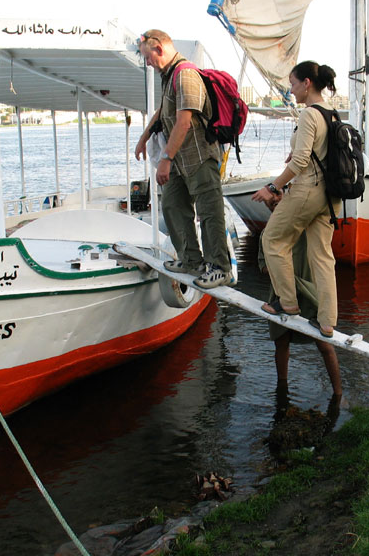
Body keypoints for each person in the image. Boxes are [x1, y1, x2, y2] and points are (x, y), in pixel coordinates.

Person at [134, 29, 232, 288]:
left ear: (159, 49)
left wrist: (165, 158)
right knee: (172, 204)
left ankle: (220, 268)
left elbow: (184, 121)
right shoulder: (169, 76)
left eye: (148, 57)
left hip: (199, 156)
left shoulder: (185, 74)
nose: (147, 63)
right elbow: (164, 111)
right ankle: (192, 260)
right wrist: (144, 137)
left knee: (209, 212)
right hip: (180, 159)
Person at [251, 61, 341, 339]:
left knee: (273, 241)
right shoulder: (332, 115)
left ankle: (287, 302)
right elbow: (320, 152)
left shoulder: (309, 115)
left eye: (292, 84)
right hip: (331, 196)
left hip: (308, 190)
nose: (291, 91)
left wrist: (273, 186)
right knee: (322, 256)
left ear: (306, 83)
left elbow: (302, 160)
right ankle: (327, 321)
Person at [258, 196, 342, 398]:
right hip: (281, 296)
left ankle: (338, 393)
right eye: (272, 204)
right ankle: (282, 389)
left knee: (324, 344)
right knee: (281, 342)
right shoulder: (267, 234)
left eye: (279, 200)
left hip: (311, 291)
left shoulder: (305, 225)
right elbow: (262, 266)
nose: (276, 205)